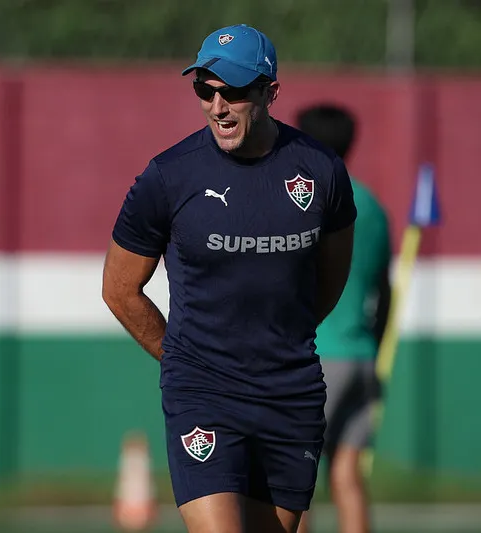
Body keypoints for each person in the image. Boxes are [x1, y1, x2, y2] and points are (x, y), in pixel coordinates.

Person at [102, 24, 357, 533]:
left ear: (271, 92)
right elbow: (119, 289)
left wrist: (281, 342)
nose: (218, 105)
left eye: (234, 91)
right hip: (204, 393)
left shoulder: (322, 172)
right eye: (205, 89)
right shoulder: (168, 177)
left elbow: (328, 283)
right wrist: (183, 358)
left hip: (291, 392)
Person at [294, 104, 392, 533]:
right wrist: (375, 343)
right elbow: (384, 291)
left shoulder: (304, 199)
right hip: (362, 354)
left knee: (295, 478)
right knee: (347, 475)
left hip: (317, 355)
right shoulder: (372, 205)